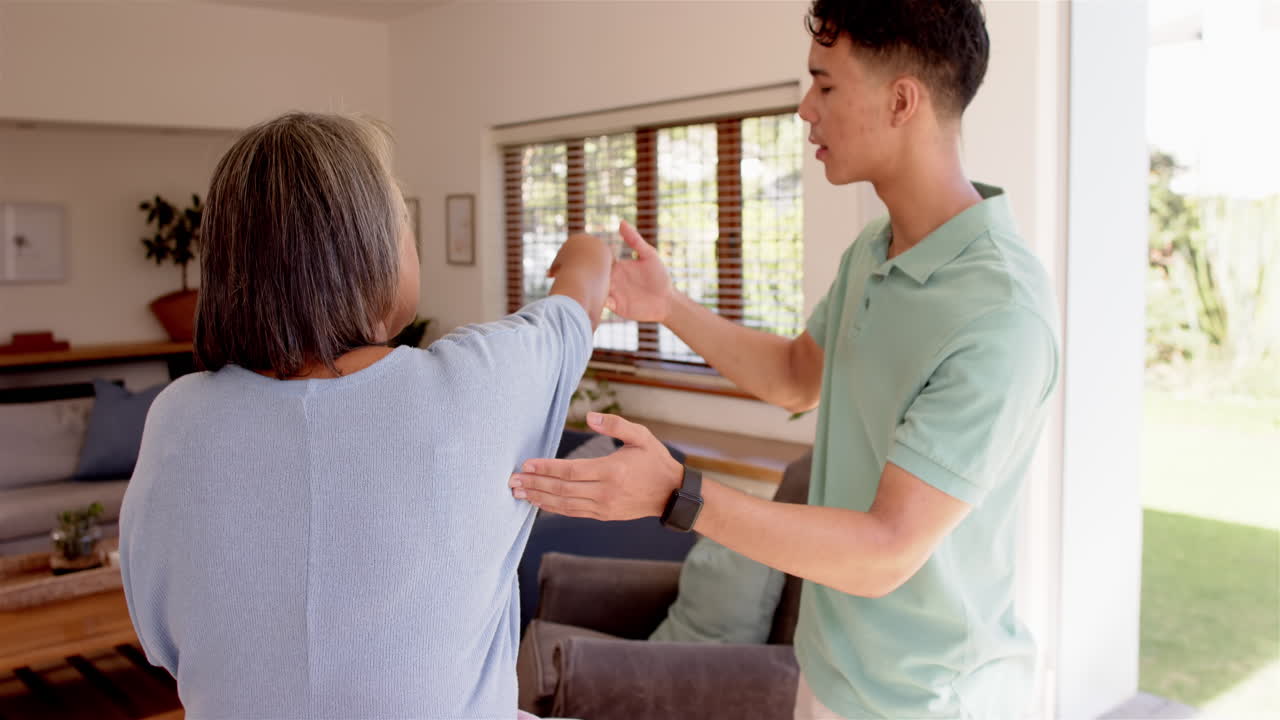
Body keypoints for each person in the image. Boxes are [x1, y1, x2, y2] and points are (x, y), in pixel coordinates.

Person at [507, 1, 1061, 718]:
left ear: (901, 100)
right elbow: (797, 374)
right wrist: (667, 307)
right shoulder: (876, 251)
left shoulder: (1000, 313)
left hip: (931, 702)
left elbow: (886, 549)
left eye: (825, 86)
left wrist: (678, 493)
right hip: (829, 675)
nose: (806, 108)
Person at [119, 112, 612, 719]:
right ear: (373, 250)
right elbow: (578, 301)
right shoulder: (483, 380)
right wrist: (591, 248)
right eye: (406, 225)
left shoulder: (178, 421)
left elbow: (165, 641)